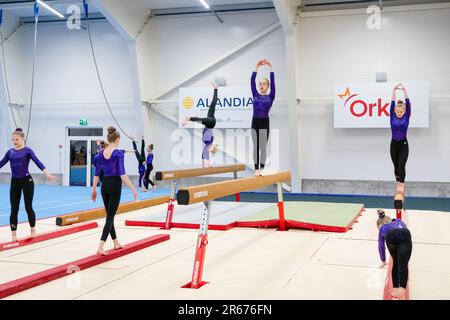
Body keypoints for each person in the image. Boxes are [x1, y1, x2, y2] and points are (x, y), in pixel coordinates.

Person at [0, 128, 56, 242]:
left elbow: (38, 162)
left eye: (17, 139)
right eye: (13, 140)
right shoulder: (10, 152)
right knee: (14, 208)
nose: (14, 141)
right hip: (15, 182)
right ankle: (14, 234)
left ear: (22, 139)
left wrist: (47, 173)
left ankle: (33, 229)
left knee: (28, 207)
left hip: (27, 181)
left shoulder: (27, 151)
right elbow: (1, 163)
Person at [91, 127, 137, 255]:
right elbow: (122, 174)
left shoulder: (101, 154)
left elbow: (96, 173)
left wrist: (93, 189)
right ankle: (101, 245)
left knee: (109, 216)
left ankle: (116, 242)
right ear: (117, 140)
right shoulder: (118, 154)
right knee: (110, 217)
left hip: (104, 185)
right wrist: (133, 189)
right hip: (115, 185)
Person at [377, 209, 412, 300]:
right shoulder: (398, 221)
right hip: (404, 233)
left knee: (395, 262)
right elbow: (405, 227)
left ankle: (395, 288)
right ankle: (402, 290)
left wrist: (383, 260)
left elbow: (381, 246)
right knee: (403, 263)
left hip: (391, 236)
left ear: (383, 223)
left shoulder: (382, 229)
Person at [183, 82, 219, 168]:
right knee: (201, 118)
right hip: (210, 123)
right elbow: (206, 153)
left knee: (213, 104)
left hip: (210, 122)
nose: (211, 149)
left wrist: (206, 164)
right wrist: (206, 164)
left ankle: (216, 89)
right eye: (212, 149)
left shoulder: (210, 143)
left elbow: (207, 153)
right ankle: (188, 118)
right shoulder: (210, 143)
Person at [251, 59, 275, 176]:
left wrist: (270, 68)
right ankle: (256, 169)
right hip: (255, 122)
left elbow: (273, 82)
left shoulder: (271, 96)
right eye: (259, 84)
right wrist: (257, 67)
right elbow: (252, 80)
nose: (261, 86)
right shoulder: (255, 94)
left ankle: (263, 168)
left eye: (264, 84)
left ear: (268, 86)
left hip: (265, 122)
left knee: (263, 147)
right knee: (255, 146)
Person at [390, 83, 411, 205]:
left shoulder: (406, 117)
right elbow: (392, 103)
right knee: (396, 167)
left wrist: (404, 90)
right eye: (397, 111)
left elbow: (408, 104)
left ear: (404, 111)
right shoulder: (392, 117)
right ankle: (398, 182)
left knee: (401, 165)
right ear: (394, 111)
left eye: (401, 111)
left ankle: (401, 186)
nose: (399, 113)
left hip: (403, 144)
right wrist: (394, 91)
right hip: (393, 145)